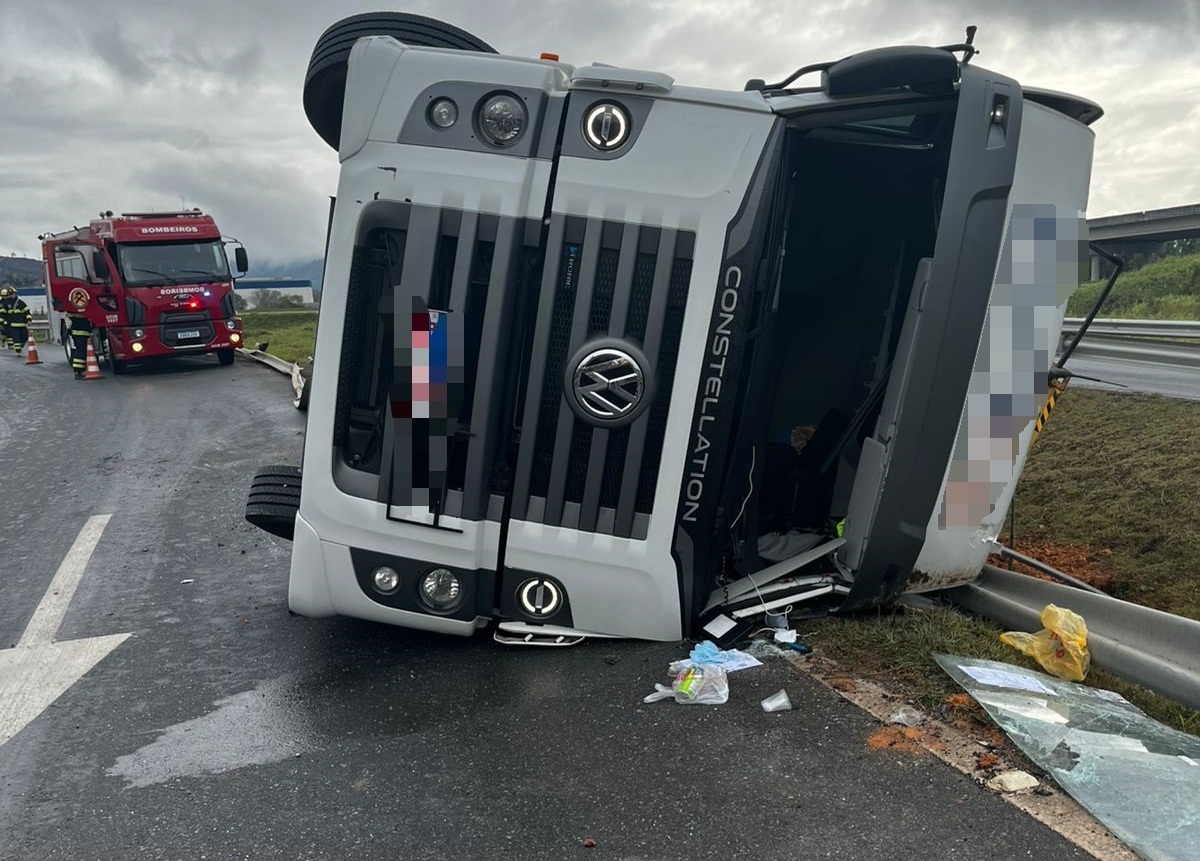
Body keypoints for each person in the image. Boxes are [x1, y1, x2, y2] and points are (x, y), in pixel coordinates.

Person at [66, 291, 93, 379]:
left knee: (80, 351)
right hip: (80, 333)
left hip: (78, 332)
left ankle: (79, 371)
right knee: (81, 352)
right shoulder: (79, 310)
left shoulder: (72, 308)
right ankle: (78, 372)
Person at [2, 288, 32, 355]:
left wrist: (29, 320)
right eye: (10, 294)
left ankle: (21, 345)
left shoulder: (21, 303)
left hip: (22, 325)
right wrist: (2, 322)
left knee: (24, 338)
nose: (11, 295)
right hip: (12, 326)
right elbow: (3, 314)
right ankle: (18, 351)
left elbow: (27, 312)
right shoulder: (6, 303)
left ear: (16, 294)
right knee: (16, 339)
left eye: (12, 294)